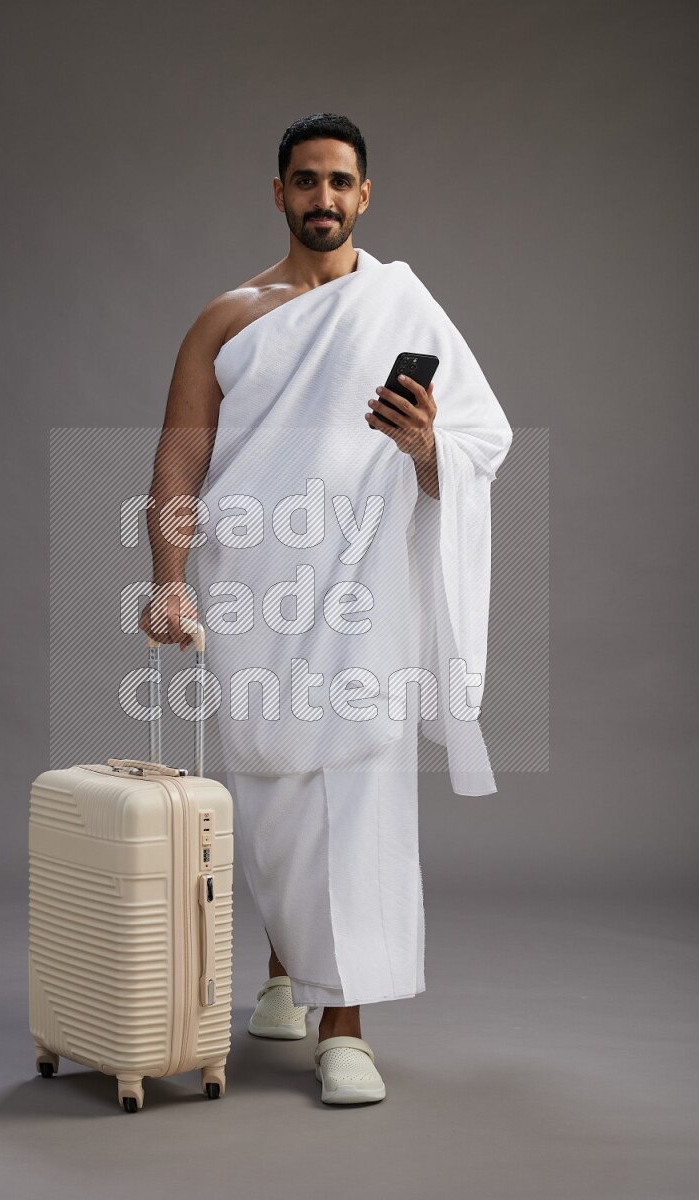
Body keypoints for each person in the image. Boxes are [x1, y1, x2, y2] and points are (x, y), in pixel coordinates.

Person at [139, 113, 512, 1105]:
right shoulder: (226, 318)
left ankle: (343, 1021)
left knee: (355, 782)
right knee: (269, 793)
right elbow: (179, 462)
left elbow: (476, 447)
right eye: (304, 181)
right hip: (251, 584)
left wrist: (426, 447)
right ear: (277, 193)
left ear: (364, 194)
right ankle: (280, 970)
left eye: (340, 182)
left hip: (361, 590)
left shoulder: (403, 308)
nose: (323, 199)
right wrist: (169, 577)